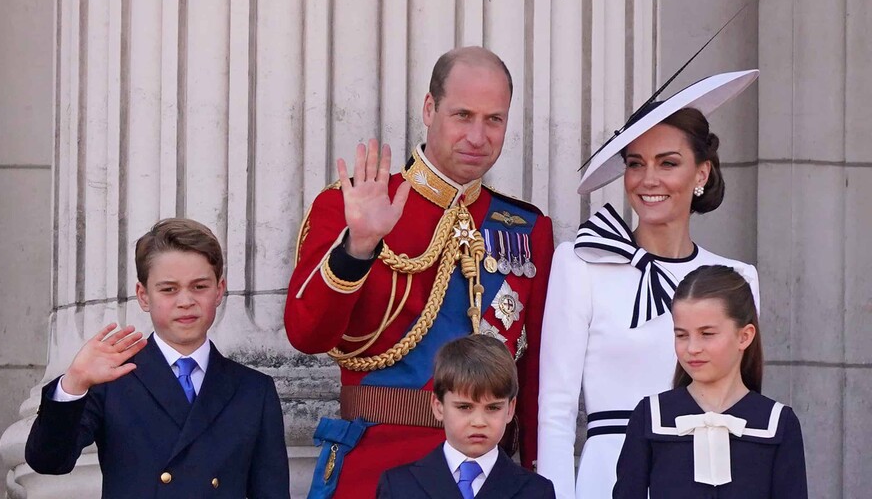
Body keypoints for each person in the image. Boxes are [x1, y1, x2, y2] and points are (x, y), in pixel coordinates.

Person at [285, 46, 554, 498]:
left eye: (494, 119)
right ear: (429, 109)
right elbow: (306, 334)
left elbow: (535, 374)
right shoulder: (353, 202)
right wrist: (360, 246)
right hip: (374, 464)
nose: (477, 136)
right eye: (462, 115)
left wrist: (532, 470)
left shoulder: (527, 229)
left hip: (486, 478)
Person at [537, 70, 761, 498]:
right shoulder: (581, 263)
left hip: (705, 478)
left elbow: (743, 408)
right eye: (635, 164)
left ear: (701, 174)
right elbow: (556, 412)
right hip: (608, 477)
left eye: (668, 163)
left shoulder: (737, 280)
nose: (648, 179)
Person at [26, 218, 290, 499]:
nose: (185, 301)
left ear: (219, 290)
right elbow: (49, 461)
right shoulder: (113, 378)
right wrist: (73, 383)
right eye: (169, 289)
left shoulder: (253, 390)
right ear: (143, 295)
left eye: (199, 286)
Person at [613, 265, 807, 498]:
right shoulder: (650, 416)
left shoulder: (778, 424)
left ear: (744, 336)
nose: (692, 348)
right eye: (681, 335)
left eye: (707, 334)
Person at [376, 334, 555, 498]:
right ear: (438, 407)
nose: (478, 422)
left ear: (510, 409)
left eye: (492, 408)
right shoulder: (398, 486)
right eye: (464, 407)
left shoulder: (537, 491)